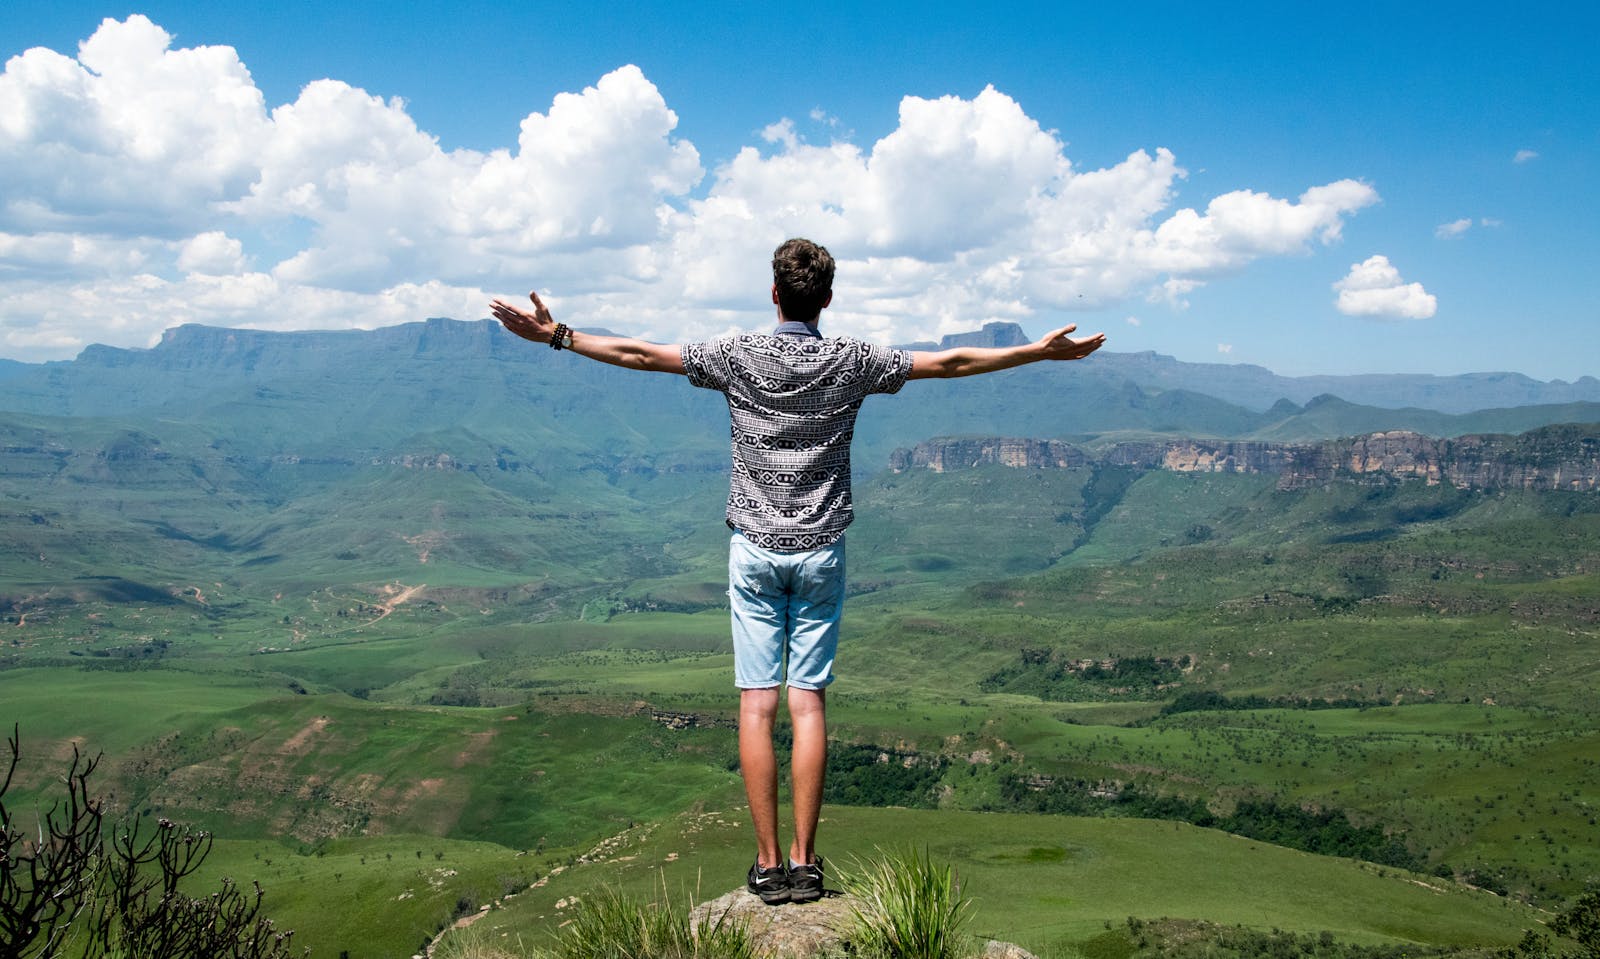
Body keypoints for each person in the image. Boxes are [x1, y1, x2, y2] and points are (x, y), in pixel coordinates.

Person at [490, 238, 1105, 905]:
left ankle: (767, 864)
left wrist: (556, 334)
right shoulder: (853, 360)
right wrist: (1039, 352)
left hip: (753, 550)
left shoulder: (737, 354)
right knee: (806, 701)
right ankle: (807, 865)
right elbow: (951, 361)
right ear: (828, 299)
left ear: (775, 293)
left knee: (757, 704)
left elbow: (640, 354)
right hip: (821, 552)